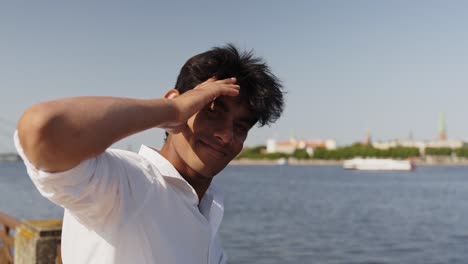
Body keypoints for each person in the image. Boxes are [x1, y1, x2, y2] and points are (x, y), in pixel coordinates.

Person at [14, 44, 284, 264]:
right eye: (212, 111)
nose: (226, 135)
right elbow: (43, 130)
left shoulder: (207, 207)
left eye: (240, 127)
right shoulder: (124, 183)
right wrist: (173, 112)